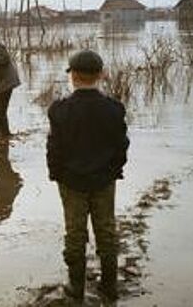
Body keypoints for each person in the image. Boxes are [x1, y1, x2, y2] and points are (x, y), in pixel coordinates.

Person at [46, 50, 130, 302]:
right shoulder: (114, 109)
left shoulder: (59, 110)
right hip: (104, 180)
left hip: (72, 182)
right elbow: (121, 146)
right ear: (100, 75)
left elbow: (54, 149)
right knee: (106, 231)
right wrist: (114, 170)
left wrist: (56, 175)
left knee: (75, 233)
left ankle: (76, 287)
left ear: (73, 76)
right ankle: (109, 287)